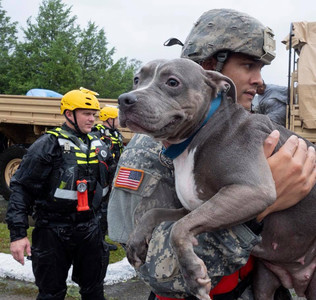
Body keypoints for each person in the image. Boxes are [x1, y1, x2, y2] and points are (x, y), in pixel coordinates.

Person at [108, 9, 316, 300]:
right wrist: (258, 210)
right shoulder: (150, 150)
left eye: (261, 69)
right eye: (248, 66)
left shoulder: (238, 128)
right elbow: (159, 274)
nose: (260, 81)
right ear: (209, 66)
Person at [6, 87, 114, 300]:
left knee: (94, 291)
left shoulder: (99, 144)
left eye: (94, 114)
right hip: (52, 232)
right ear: (68, 114)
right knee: (51, 294)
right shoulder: (48, 144)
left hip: (90, 230)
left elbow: (109, 184)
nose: (92, 119)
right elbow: (21, 188)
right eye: (86, 113)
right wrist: (18, 235)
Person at [92, 106, 125, 251]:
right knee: (100, 209)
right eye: (116, 118)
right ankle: (97, 241)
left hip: (113, 175)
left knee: (106, 209)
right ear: (109, 119)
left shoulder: (115, 133)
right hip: (101, 177)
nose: (118, 121)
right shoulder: (97, 133)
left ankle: (102, 240)